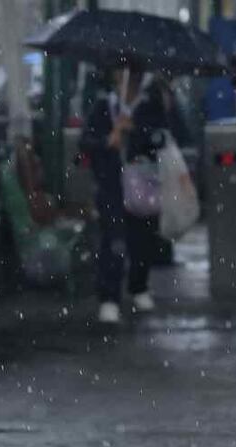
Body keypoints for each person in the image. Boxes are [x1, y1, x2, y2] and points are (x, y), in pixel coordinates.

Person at [80, 65, 189, 324]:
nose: (128, 79)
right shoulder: (104, 107)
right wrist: (108, 140)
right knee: (113, 240)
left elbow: (165, 138)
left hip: (144, 184)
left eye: (133, 74)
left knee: (142, 239)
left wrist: (137, 131)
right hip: (112, 186)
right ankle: (109, 298)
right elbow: (85, 142)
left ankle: (138, 286)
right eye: (122, 72)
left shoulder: (151, 106)